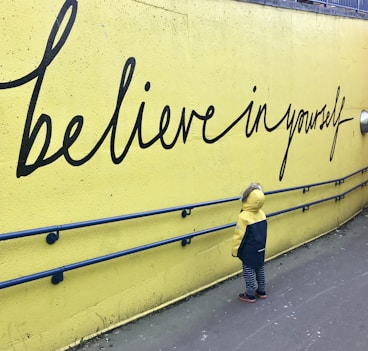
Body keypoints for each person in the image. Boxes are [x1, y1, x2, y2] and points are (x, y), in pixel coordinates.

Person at [232, 182, 268, 303]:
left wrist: (235, 250)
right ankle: (261, 290)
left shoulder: (244, 216)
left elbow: (239, 235)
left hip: (249, 250)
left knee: (248, 270)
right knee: (260, 268)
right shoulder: (262, 214)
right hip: (260, 247)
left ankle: (250, 293)